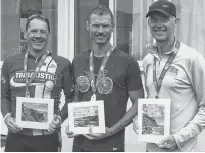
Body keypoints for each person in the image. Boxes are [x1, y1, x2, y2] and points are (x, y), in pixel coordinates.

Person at [59, 4, 144, 152]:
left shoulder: (128, 62)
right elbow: (75, 98)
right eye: (96, 25)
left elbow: (139, 103)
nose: (100, 31)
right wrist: (72, 123)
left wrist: (112, 130)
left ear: (113, 27)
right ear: (88, 26)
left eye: (105, 26)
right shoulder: (78, 61)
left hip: (111, 145)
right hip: (80, 146)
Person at [133, 0, 205, 152]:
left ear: (175, 22)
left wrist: (178, 139)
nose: (158, 25)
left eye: (164, 19)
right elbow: (153, 99)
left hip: (181, 149)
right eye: (153, 20)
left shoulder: (192, 59)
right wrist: (140, 119)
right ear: (148, 23)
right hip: (152, 148)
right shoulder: (148, 60)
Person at [1, 14, 74, 152]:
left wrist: (59, 118)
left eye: (43, 32)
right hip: (16, 136)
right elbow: (3, 96)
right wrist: (6, 116)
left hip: (48, 137)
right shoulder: (10, 63)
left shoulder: (63, 64)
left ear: (49, 35)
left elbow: (72, 97)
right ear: (25, 34)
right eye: (34, 31)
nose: (38, 35)